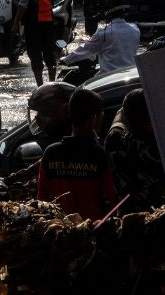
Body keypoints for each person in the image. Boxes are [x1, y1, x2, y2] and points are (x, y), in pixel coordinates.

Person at [37, 87, 115, 221]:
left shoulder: (51, 153)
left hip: (59, 234)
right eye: (102, 115)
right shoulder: (100, 155)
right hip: (93, 233)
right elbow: (112, 201)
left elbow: (41, 202)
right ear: (94, 118)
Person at [104, 88, 165, 213]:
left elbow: (116, 125)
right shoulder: (164, 147)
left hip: (129, 222)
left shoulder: (116, 144)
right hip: (160, 219)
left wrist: (124, 109)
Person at [59, 0, 139, 74]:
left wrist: (65, 60)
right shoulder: (135, 30)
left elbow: (85, 50)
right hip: (130, 75)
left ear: (106, 9)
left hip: (108, 78)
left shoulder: (104, 33)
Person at [13, 0, 62, 85]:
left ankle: (40, 86)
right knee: (49, 54)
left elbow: (23, 3)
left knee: (35, 55)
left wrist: (16, 22)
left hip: (33, 22)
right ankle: (53, 84)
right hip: (48, 21)